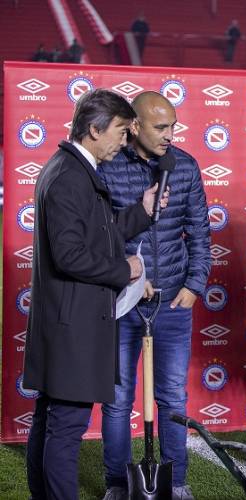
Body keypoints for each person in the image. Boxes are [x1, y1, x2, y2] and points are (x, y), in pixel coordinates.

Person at [23, 89, 164, 500]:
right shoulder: (69, 176)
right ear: (93, 129)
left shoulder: (71, 169)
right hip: (74, 328)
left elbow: (98, 237)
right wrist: (127, 269)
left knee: (50, 421)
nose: (124, 142)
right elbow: (70, 255)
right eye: (120, 131)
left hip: (67, 322)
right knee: (64, 427)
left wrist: (141, 210)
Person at [97, 92, 210, 500]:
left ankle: (176, 482)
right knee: (118, 397)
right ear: (135, 126)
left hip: (173, 305)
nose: (170, 135)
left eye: (173, 126)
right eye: (161, 127)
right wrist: (128, 276)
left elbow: (200, 232)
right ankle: (116, 484)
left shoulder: (184, 166)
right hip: (123, 303)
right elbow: (99, 234)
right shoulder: (107, 165)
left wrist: (194, 285)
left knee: (172, 396)